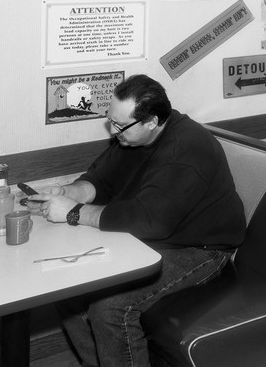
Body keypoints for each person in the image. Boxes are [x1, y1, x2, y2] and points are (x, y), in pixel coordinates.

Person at [25, 74, 246, 366]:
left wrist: (74, 212)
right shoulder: (132, 138)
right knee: (69, 290)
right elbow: (101, 180)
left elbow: (150, 220)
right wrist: (68, 191)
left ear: (152, 121)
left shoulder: (186, 148)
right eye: (110, 121)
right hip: (150, 239)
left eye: (119, 125)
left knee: (109, 309)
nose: (113, 131)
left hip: (200, 249)